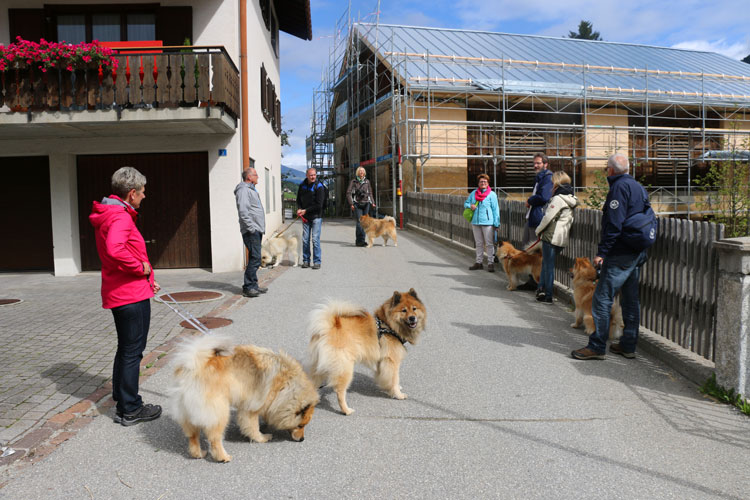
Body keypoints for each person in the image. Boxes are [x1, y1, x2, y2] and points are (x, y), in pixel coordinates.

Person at [89, 166, 162, 427]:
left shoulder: (110, 213)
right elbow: (116, 249)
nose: (144, 196)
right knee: (133, 352)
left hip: (124, 291)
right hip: (129, 295)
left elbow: (121, 250)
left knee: (126, 349)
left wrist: (148, 278)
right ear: (131, 193)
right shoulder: (120, 217)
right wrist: (140, 268)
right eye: (142, 192)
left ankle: (122, 397)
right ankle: (130, 408)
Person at [572, 153, 650, 360]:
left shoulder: (618, 188)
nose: (607, 171)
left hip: (620, 252)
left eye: (607, 168)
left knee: (602, 299)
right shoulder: (639, 188)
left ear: (612, 170)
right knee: (631, 301)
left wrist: (602, 253)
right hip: (637, 251)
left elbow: (614, 224)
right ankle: (628, 344)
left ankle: (597, 346)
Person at [534, 171, 577, 304]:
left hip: (551, 236)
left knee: (548, 265)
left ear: (557, 182)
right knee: (547, 263)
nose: (551, 184)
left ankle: (547, 295)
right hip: (562, 237)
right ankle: (540, 289)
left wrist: (538, 230)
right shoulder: (571, 198)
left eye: (553, 182)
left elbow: (548, 217)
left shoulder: (558, 199)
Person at [520, 153, 553, 291]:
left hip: (539, 218)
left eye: (538, 163)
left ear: (545, 164)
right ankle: (532, 279)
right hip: (533, 217)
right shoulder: (540, 178)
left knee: (534, 251)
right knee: (527, 248)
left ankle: (536, 282)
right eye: (534, 163)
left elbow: (544, 197)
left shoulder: (547, 178)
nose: (535, 165)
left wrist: (530, 200)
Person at [234, 167, 267, 298]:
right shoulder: (243, 190)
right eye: (256, 175)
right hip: (251, 230)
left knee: (255, 257)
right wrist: (251, 228)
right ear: (249, 177)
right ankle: (248, 287)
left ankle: (253, 285)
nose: (258, 176)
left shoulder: (250, 189)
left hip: (256, 229)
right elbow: (243, 211)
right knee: (256, 257)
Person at [464, 174, 500, 272]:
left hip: (487, 222)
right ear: (478, 183)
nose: (483, 183)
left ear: (488, 183)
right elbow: (466, 203)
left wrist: (496, 223)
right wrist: (470, 206)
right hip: (475, 221)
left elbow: (495, 209)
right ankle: (478, 262)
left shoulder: (492, 195)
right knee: (479, 243)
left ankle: (490, 263)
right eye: (481, 182)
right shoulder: (473, 193)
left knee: (489, 243)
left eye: (485, 182)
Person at [297, 167, 325, 269]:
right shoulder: (302, 185)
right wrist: (299, 208)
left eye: (314, 175)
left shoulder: (319, 186)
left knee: (315, 239)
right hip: (305, 217)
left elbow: (319, 205)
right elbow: (298, 199)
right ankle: (306, 260)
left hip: (316, 217)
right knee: (305, 239)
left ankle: (317, 261)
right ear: (307, 175)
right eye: (311, 175)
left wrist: (306, 210)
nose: (313, 177)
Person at [346, 166, 375, 247]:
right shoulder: (354, 181)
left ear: (364, 172)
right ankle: (358, 241)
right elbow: (348, 193)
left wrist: (372, 202)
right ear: (357, 173)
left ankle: (362, 240)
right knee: (359, 222)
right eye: (360, 171)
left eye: (363, 171)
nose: (361, 172)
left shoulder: (367, 181)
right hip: (357, 204)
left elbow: (370, 193)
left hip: (366, 204)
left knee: (365, 223)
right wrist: (351, 203)